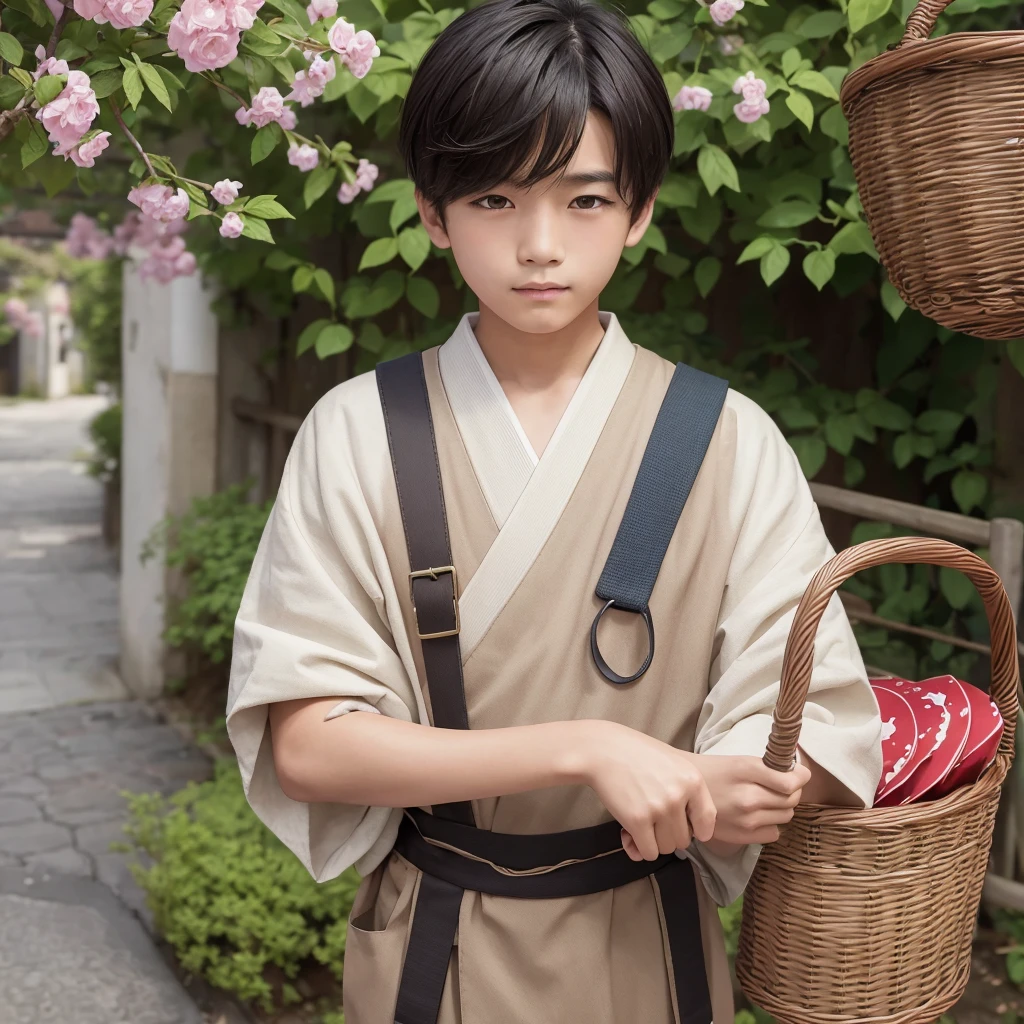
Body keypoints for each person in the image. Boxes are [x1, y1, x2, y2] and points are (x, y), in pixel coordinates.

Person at [225, 0, 883, 1021]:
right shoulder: (357, 429)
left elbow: (807, 716)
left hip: (648, 952)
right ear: (433, 213)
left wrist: (749, 775)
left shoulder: (726, 438)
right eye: (494, 198)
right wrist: (587, 744)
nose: (539, 245)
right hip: (429, 951)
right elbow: (309, 743)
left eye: (582, 200)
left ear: (640, 209)